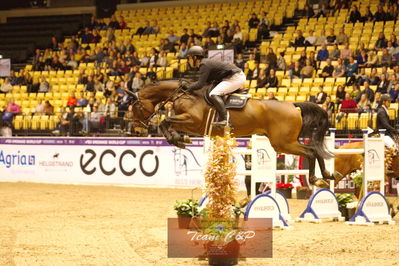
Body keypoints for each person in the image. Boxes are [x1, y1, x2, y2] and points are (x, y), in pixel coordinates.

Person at [182, 46, 246, 126]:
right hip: (231, 76)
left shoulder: (204, 65)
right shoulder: (204, 64)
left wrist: (188, 86)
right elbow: (204, 82)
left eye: (189, 58)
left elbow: (200, 84)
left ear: (195, 57)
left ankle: (225, 120)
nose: (188, 61)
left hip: (235, 77)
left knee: (213, 94)